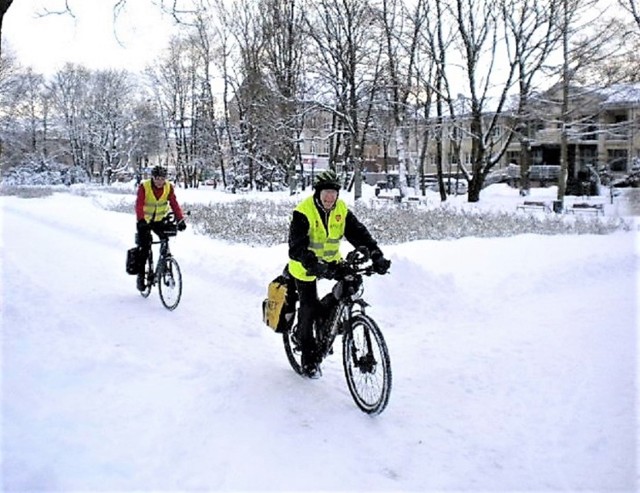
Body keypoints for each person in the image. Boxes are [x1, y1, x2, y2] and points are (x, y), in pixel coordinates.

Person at [287, 169, 391, 378]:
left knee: (348, 286)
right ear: (318, 193)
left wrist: (376, 255)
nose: (329, 197)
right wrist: (310, 261)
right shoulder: (304, 211)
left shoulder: (341, 210)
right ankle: (308, 357)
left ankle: (326, 323)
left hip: (331, 262)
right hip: (305, 266)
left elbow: (358, 234)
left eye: (333, 193)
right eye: (325, 192)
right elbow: (295, 246)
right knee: (308, 307)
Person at [135, 165, 187, 291]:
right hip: (145, 221)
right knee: (145, 247)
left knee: (165, 240)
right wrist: (141, 220)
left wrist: (180, 219)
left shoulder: (168, 187)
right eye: (157, 178)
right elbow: (139, 204)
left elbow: (173, 203)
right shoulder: (144, 186)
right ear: (152, 177)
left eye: (162, 178)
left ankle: (164, 263)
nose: (160, 181)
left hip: (160, 220)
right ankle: (141, 276)